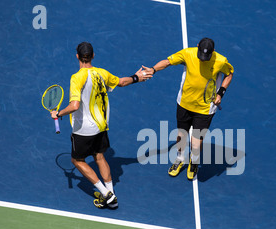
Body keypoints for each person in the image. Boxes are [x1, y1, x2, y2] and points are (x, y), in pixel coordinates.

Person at [51, 42, 152, 208]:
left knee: (77, 161)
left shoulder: (77, 78)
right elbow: (121, 82)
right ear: (93, 56)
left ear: (77, 56)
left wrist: (58, 114)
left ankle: (106, 194)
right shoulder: (101, 73)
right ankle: (111, 196)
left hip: (83, 130)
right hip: (101, 126)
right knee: (99, 156)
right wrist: (136, 77)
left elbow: (75, 105)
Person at [144, 37, 234, 180]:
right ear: (197, 46)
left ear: (213, 52)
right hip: (184, 103)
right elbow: (167, 62)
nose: (203, 59)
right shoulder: (187, 53)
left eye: (207, 56)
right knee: (181, 136)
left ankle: (194, 161)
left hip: (205, 108)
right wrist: (153, 69)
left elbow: (229, 74)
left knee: (196, 143)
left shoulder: (221, 61)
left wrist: (220, 93)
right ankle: (180, 159)